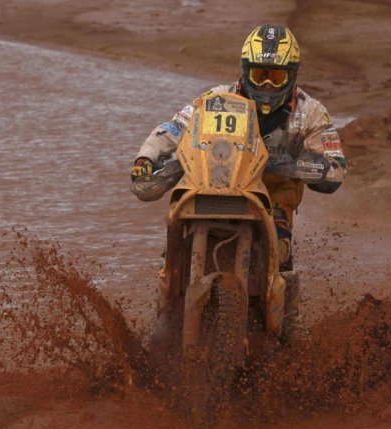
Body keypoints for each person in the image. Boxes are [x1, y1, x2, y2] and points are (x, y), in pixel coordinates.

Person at [131, 24, 346, 270]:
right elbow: (176, 127)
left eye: (275, 78)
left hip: (273, 195)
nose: (266, 85)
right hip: (213, 183)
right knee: (175, 239)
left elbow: (335, 166)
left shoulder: (311, 112)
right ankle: (170, 287)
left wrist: (312, 167)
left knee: (280, 250)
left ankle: (281, 298)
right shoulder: (216, 99)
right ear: (245, 71)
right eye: (259, 75)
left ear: (291, 75)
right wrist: (145, 159)